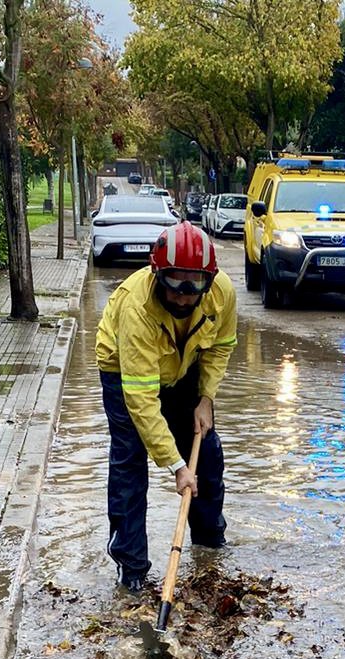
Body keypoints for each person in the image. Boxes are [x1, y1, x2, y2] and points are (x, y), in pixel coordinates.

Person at [95, 222, 238, 591]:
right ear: (158, 274)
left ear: (209, 280)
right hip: (124, 369)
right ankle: (132, 568)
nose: (183, 297)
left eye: (194, 286)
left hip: (185, 366)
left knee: (206, 453)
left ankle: (209, 543)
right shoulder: (135, 309)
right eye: (175, 284)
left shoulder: (222, 293)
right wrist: (175, 466)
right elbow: (141, 401)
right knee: (129, 464)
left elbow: (221, 346)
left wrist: (205, 397)